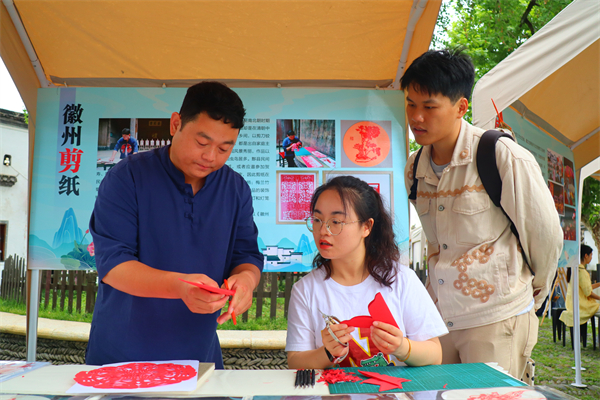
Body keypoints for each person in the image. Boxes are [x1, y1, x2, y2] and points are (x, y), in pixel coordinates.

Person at [402, 49, 563, 381]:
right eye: (410, 104)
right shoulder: (414, 168)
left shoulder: (500, 155)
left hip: (495, 318)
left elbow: (545, 235)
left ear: (461, 107)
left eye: (429, 107)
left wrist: (530, 295)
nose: (416, 117)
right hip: (439, 317)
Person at [87, 81, 263, 367]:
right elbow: (113, 265)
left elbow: (246, 256)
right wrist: (180, 287)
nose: (210, 157)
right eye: (202, 143)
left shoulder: (235, 189)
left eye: (224, 148)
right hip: (122, 356)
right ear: (175, 124)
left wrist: (246, 281)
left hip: (200, 356)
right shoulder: (127, 178)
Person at [286, 176, 447, 369]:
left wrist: (402, 347)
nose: (323, 230)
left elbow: (435, 354)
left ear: (366, 227)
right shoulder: (305, 290)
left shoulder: (402, 279)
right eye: (317, 220)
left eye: (336, 221)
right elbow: (295, 361)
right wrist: (327, 352)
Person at [559, 244, 600, 327]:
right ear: (586, 255)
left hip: (572, 305)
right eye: (591, 255)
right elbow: (588, 293)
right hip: (582, 306)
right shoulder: (581, 272)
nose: (591, 257)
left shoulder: (575, 269)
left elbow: (585, 287)